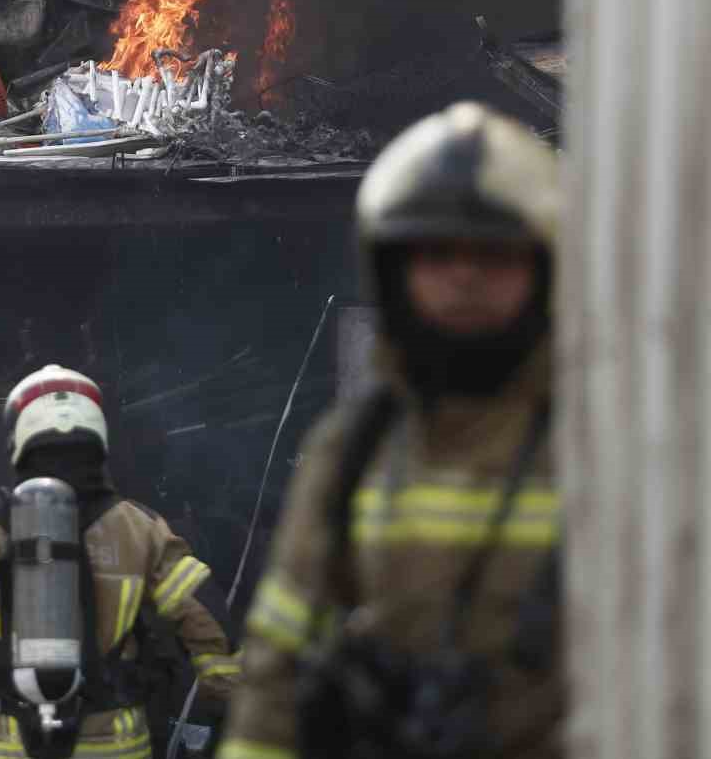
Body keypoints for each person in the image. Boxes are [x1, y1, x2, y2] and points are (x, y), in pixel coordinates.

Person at [220, 102, 562, 759]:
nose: (464, 275)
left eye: (494, 254)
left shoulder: (609, 447)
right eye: (437, 252)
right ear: (393, 271)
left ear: (545, 267)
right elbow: (277, 677)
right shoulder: (352, 451)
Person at [0, 364, 236, 759]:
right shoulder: (140, 528)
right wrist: (221, 696)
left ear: (20, 441)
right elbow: (206, 619)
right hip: (112, 746)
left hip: (3, 747)